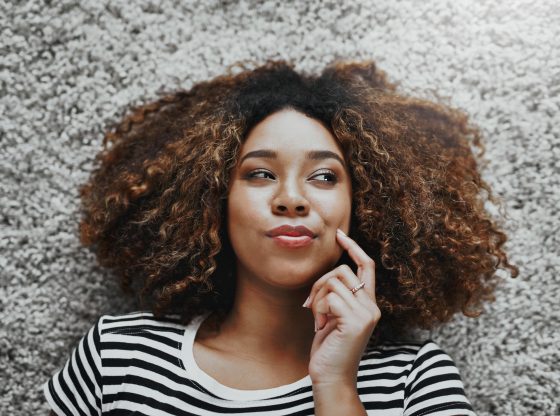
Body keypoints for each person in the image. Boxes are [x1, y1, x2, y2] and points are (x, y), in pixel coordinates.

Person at [43, 58, 519, 415]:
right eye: (260, 174)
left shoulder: (416, 379)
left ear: (369, 206)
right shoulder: (118, 355)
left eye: (325, 177)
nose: (291, 199)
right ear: (211, 199)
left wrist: (335, 385)